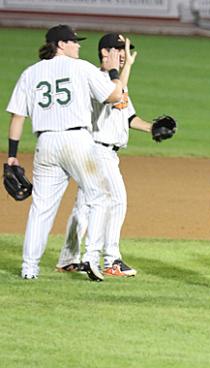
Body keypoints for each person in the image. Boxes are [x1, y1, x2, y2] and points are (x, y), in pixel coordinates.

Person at [5, 24, 132, 280]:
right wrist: (117, 69)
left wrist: (12, 155)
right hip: (77, 141)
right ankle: (91, 257)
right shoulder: (81, 67)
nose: (78, 45)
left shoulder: (30, 73)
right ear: (61, 45)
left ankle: (29, 269)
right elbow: (114, 95)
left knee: (40, 209)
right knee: (100, 196)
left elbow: (18, 117)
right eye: (74, 41)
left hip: (46, 144)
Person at [56, 33, 164, 277]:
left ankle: (68, 258)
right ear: (105, 53)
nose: (124, 54)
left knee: (84, 206)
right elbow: (114, 94)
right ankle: (111, 259)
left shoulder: (116, 82)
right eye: (118, 49)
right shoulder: (97, 78)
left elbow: (127, 115)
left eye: (125, 49)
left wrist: (152, 128)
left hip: (99, 152)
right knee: (117, 200)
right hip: (97, 151)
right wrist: (122, 72)